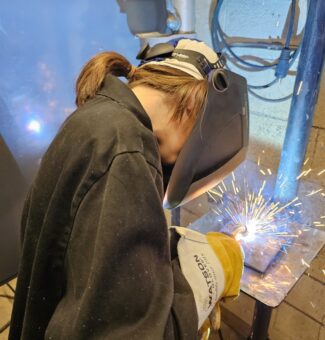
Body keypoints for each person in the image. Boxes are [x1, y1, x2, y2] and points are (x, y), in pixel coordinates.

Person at [9, 39, 244, 340]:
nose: (170, 166)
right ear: (190, 108)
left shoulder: (96, 121)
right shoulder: (127, 152)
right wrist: (209, 272)